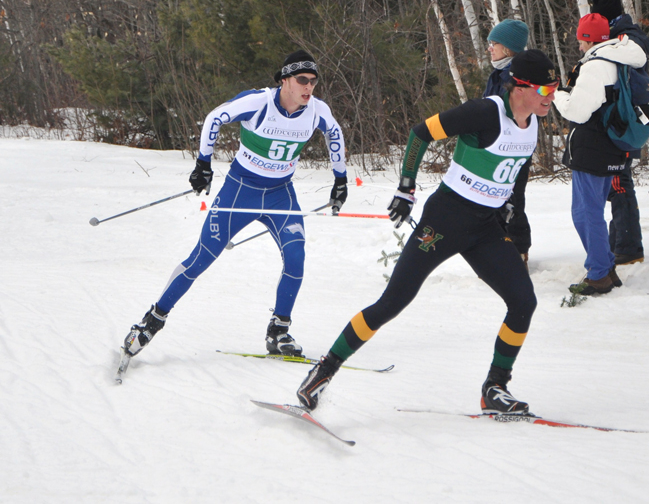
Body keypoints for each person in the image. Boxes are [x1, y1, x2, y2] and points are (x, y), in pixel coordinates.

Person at [296, 50, 560, 414]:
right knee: (392, 302)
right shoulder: (485, 112)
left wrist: (512, 205)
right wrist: (406, 188)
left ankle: (495, 388)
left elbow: (518, 167)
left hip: (485, 227)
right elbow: (420, 133)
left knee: (523, 302)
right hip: (445, 221)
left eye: (555, 88)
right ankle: (323, 371)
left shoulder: (532, 122)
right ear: (519, 87)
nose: (551, 97)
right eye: (545, 89)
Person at [120, 50, 348, 361]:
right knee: (201, 258)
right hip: (240, 192)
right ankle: (151, 322)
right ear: (285, 80)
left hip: (281, 194)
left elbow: (334, 133)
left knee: (296, 258)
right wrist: (203, 163)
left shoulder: (316, 110)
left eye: (313, 81)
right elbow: (215, 117)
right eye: (302, 80)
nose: (309, 87)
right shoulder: (259, 102)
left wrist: (341, 179)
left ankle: (278, 331)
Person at [553, 13, 646, 295]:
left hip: (592, 148)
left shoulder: (595, 66)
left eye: (580, 38)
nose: (579, 45)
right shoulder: (622, 58)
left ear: (586, 39)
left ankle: (598, 275)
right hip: (613, 145)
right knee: (591, 209)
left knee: (585, 212)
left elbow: (577, 111)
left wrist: (557, 93)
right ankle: (605, 267)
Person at [591, 0, 649, 265]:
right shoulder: (621, 34)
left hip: (624, 120)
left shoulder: (626, 37)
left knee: (619, 183)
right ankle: (619, 243)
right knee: (617, 182)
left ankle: (628, 247)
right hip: (619, 119)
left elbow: (638, 56)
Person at [484, 19, 534, 264]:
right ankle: (501, 249)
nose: (489, 48)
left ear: (508, 48)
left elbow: (512, 114)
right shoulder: (498, 73)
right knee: (495, 199)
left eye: (494, 43)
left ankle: (518, 251)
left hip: (514, 149)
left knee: (513, 200)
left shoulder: (516, 76)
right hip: (496, 148)